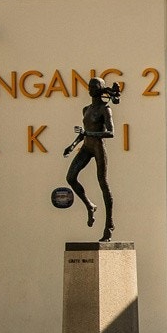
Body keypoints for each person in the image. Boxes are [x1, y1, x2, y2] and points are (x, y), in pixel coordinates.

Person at [64, 77, 119, 242]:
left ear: (100, 89)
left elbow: (111, 132)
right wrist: (72, 146)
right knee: (70, 178)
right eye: (89, 86)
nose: (90, 89)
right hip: (86, 147)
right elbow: (83, 133)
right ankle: (90, 205)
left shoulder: (104, 109)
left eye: (93, 87)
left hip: (97, 148)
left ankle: (109, 225)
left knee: (103, 183)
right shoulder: (86, 109)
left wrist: (88, 134)